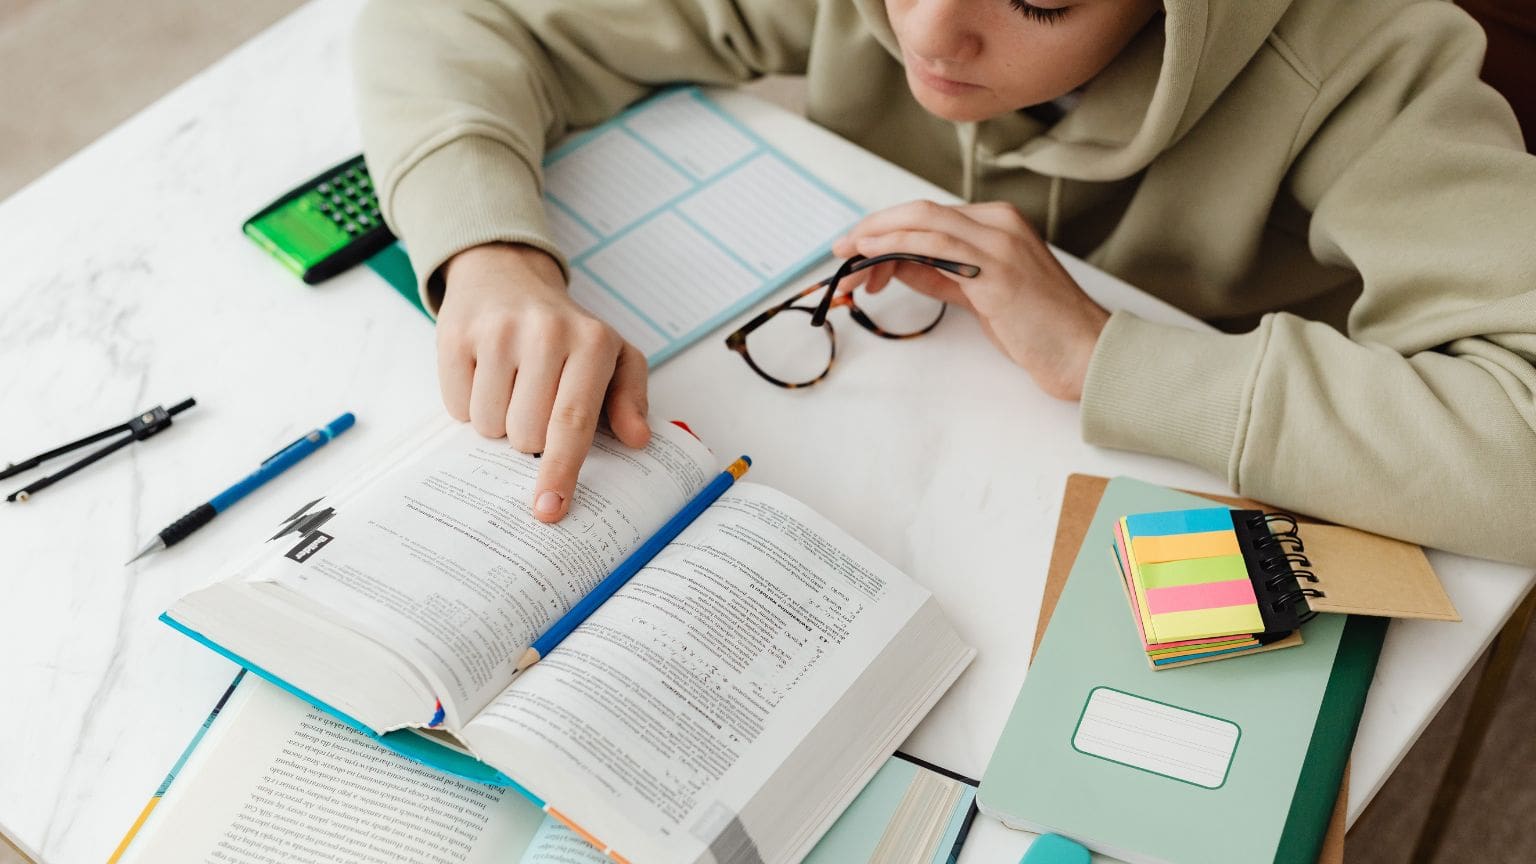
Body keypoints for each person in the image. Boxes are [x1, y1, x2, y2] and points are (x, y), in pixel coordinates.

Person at [353, 0, 1536, 566]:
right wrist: (486, 252)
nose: (926, 34)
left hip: (1207, 517)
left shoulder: (1372, 55)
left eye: (1036, 3)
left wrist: (1105, 352)